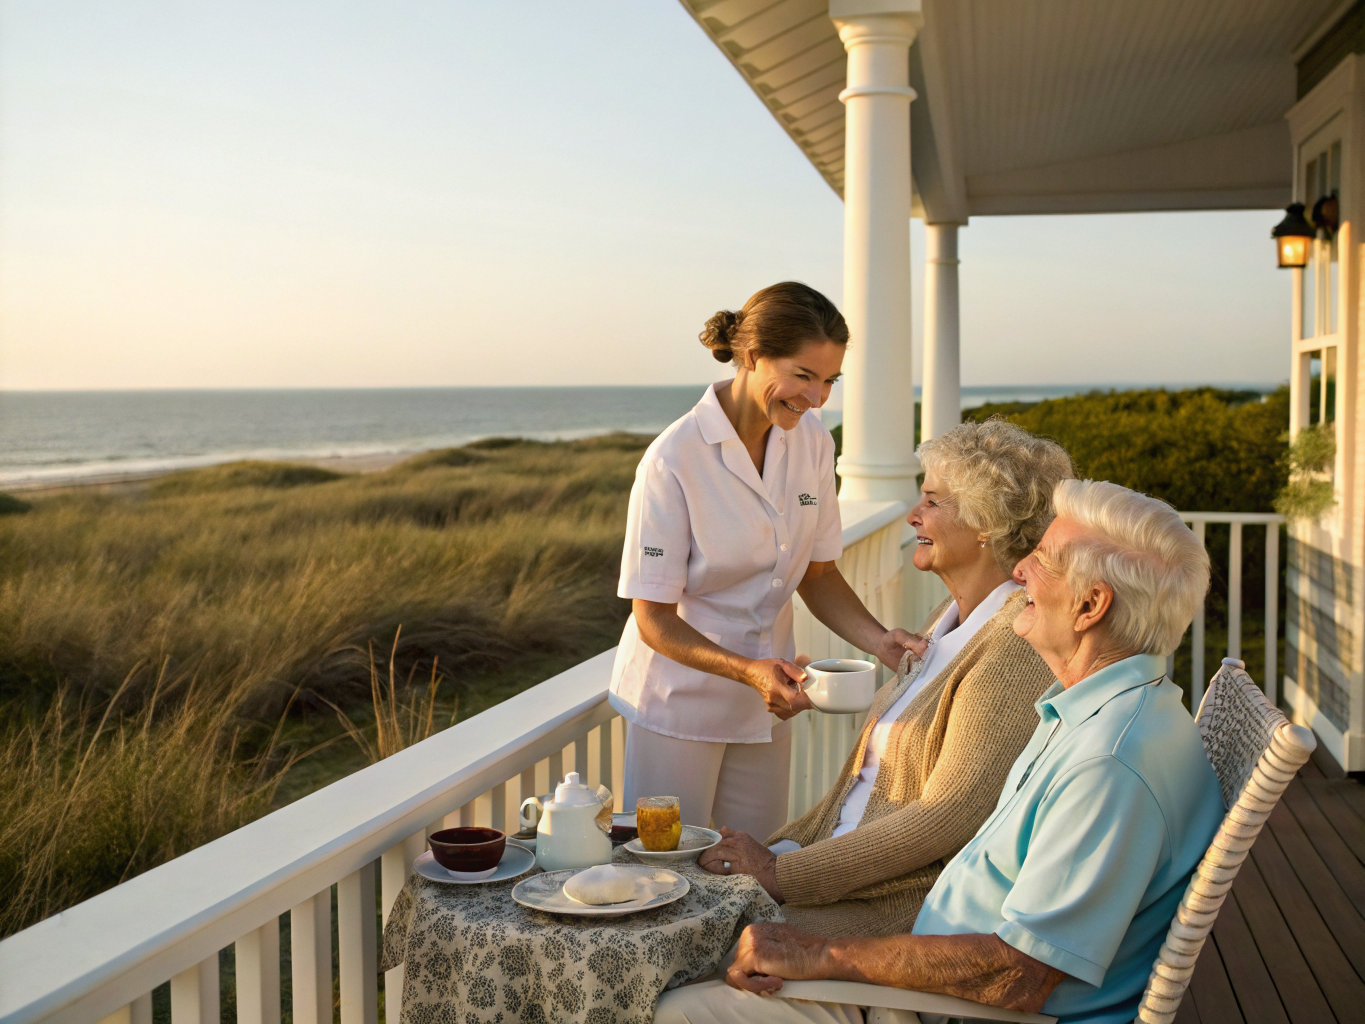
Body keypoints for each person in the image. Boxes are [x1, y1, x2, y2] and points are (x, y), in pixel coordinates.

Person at [655, 479, 1226, 1024]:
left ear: (1090, 605)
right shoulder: (1100, 713)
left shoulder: (1109, 764)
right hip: (922, 982)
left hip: (947, 1009)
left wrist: (825, 954)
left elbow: (1020, 975)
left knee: (667, 1009)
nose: (1019, 568)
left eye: (1044, 559)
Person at [696, 420, 1073, 937]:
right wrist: (778, 850)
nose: (913, 516)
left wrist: (779, 872)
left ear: (988, 523)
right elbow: (891, 762)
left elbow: (945, 817)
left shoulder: (1012, 647)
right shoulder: (949, 617)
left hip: (888, 907)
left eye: (933, 503)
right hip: (826, 872)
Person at [609, 282, 921, 840]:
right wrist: (748, 671)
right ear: (751, 357)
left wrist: (879, 642)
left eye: (830, 380)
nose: (819, 397)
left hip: (770, 704)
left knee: (752, 869)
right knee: (666, 875)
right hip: (679, 706)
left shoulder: (813, 441)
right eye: (804, 376)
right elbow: (652, 619)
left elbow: (817, 574)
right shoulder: (672, 460)